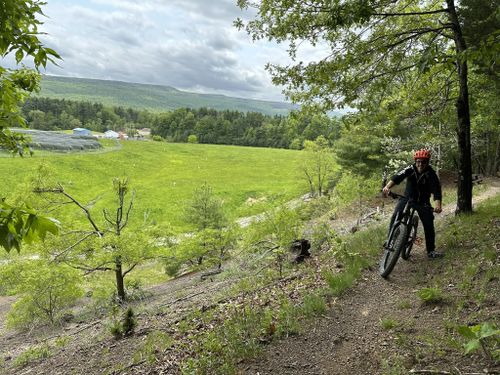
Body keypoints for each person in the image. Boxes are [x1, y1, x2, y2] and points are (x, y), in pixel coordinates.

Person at [382, 149, 443, 259]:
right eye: (418, 161)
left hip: (423, 202)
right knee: (397, 214)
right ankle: (390, 240)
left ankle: (431, 251)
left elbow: (436, 190)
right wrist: (387, 187)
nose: (420, 164)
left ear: (427, 162)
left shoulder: (431, 173)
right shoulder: (410, 168)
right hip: (408, 198)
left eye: (423, 162)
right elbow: (397, 177)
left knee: (428, 223)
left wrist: (438, 205)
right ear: (415, 161)